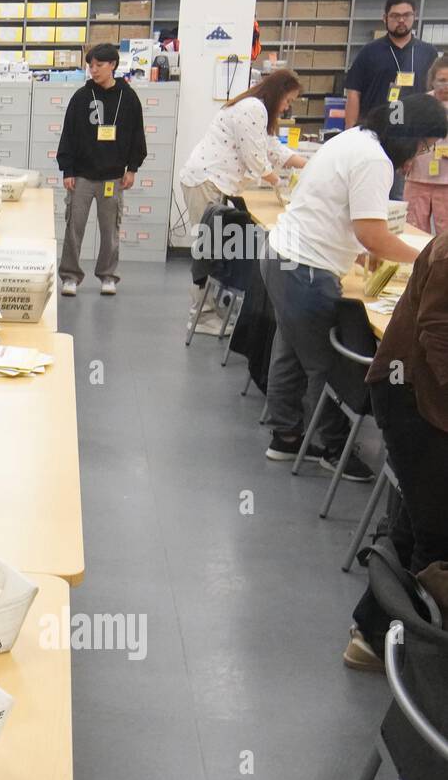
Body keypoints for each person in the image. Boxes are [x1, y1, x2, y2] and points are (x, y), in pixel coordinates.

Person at [261, 94, 447, 481]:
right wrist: (428, 261)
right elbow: (373, 234)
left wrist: (360, 249)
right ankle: (332, 446)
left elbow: (347, 218)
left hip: (284, 256)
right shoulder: (374, 159)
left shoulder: (354, 139)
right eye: (425, 144)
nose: (423, 154)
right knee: (326, 365)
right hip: (306, 269)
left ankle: (286, 436)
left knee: (291, 351)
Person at [343, 233, 448, 669]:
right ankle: (420, 669)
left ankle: (370, 635)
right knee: (439, 534)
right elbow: (440, 338)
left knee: (417, 514)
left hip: (425, 392)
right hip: (411, 393)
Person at [179, 69, 308, 332]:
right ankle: (201, 317)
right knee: (208, 250)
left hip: (213, 183)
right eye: (287, 100)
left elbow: (272, 149)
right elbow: (256, 157)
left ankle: (210, 309)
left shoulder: (258, 110)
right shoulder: (253, 108)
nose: (286, 107)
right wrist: (279, 183)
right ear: (278, 92)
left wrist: (310, 164)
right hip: (206, 181)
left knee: (215, 249)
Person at [56, 43, 147, 297]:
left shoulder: (128, 99)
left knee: (110, 230)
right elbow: (69, 135)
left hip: (113, 176)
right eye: (90, 65)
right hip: (83, 175)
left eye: (99, 65)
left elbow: (137, 135)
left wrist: (132, 168)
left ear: (113, 66)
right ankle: (70, 276)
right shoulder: (81, 97)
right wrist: (68, 170)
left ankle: (108, 275)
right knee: (74, 227)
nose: (93, 70)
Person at [344, 0, 437, 198]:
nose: (401, 20)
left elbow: (433, 98)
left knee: (402, 202)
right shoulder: (369, 52)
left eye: (406, 15)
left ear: (415, 16)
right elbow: (353, 94)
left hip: (412, 139)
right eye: (395, 16)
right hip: (374, 136)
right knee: (368, 195)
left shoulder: (428, 52)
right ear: (385, 18)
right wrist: (349, 134)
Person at [402, 56, 448, 234]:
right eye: (442, 80)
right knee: (412, 229)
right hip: (418, 178)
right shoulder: (420, 104)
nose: (445, 85)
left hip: (446, 182)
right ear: (432, 81)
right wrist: (405, 158)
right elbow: (405, 136)